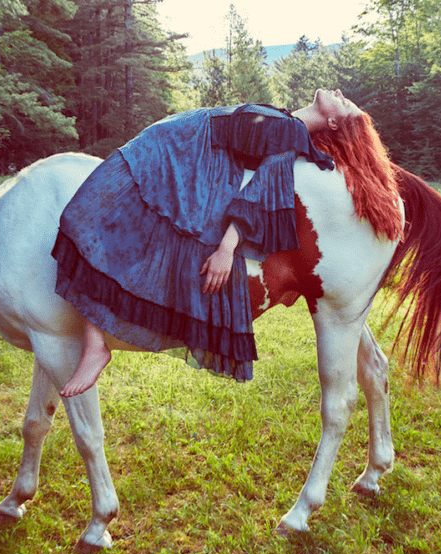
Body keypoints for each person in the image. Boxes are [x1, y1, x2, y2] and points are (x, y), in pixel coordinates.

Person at [52, 89, 399, 397]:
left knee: (94, 213)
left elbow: (261, 193)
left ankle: (96, 346)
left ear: (335, 123)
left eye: (344, 102)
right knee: (104, 217)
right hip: (178, 149)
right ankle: (96, 341)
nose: (338, 92)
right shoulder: (287, 119)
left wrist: (227, 248)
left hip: (185, 156)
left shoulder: (291, 134)